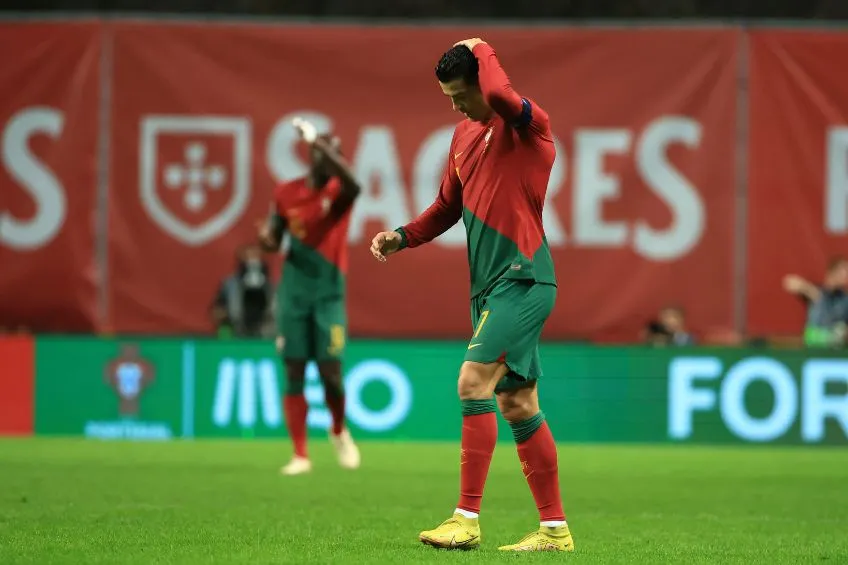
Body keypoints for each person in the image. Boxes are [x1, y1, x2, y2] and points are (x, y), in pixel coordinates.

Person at [370, 38, 572, 552]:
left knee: (472, 382)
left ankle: (466, 519)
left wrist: (480, 47)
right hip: (488, 287)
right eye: (449, 97)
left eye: (462, 93)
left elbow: (501, 92)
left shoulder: (529, 126)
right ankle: (555, 530)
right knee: (518, 400)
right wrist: (402, 235)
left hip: (523, 277)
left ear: (482, 81)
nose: (456, 105)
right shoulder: (462, 135)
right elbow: (445, 207)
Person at [258, 118, 362, 475]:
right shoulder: (287, 192)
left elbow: (354, 183)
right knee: (294, 369)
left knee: (331, 373)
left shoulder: (340, 193)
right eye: (326, 152)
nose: (331, 158)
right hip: (294, 294)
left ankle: (338, 430)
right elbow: (273, 235)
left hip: (329, 294)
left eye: (335, 153)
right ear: (313, 156)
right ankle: (300, 454)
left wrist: (318, 141)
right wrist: (268, 239)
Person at [210, 244, 273, 338]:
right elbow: (217, 310)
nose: (252, 261)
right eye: (248, 257)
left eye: (256, 256)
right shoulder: (230, 286)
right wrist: (224, 314)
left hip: (265, 332)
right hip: (237, 330)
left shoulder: (272, 288)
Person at [783, 256, 848, 347]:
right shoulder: (818, 293)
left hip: (834, 349)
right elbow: (789, 282)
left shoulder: (844, 300)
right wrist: (810, 290)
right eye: (843, 272)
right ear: (832, 272)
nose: (845, 276)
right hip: (814, 348)